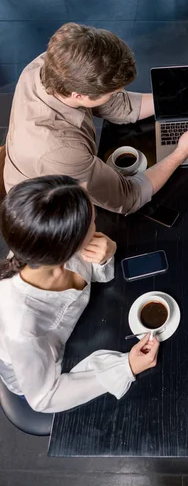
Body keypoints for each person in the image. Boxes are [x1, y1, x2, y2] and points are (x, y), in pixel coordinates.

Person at [4, 23, 188, 214]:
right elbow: (128, 197)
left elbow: (118, 107)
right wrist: (181, 151)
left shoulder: (51, 64)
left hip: (62, 169)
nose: (118, 94)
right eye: (112, 92)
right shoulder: (60, 150)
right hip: (47, 215)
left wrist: (176, 99)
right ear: (79, 95)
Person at [0, 176, 159, 413]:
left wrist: (107, 252)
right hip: (40, 375)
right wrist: (126, 367)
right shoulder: (21, 327)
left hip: (82, 330)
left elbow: (94, 271)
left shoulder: (45, 242)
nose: (96, 224)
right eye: (93, 222)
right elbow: (43, 398)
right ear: (68, 245)